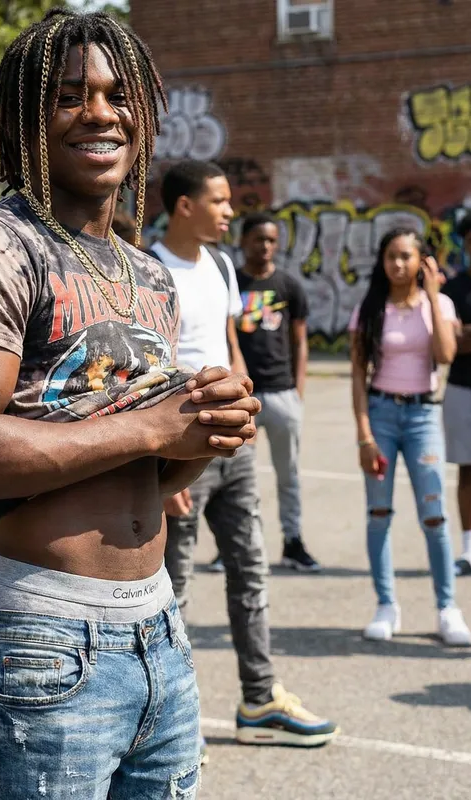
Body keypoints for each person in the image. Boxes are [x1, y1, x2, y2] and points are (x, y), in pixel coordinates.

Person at [0, 10, 260, 797]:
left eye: (116, 95)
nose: (99, 113)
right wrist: (152, 425)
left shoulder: (149, 273)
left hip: (157, 626)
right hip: (43, 636)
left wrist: (204, 431)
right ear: (25, 120)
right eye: (69, 96)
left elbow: (147, 473)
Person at [153, 161, 337, 748]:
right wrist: (160, 470)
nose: (230, 211)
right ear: (185, 205)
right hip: (180, 455)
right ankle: (168, 723)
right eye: (219, 201)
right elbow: (146, 371)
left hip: (231, 449)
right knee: (173, 589)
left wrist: (245, 403)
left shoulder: (220, 264)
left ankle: (259, 699)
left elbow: (228, 342)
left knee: (251, 574)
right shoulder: (149, 270)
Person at [349, 227, 471, 645]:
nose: (398, 264)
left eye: (406, 256)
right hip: (380, 415)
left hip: (423, 416)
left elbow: (446, 354)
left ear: (422, 261)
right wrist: (364, 435)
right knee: (378, 514)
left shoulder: (441, 304)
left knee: (434, 516)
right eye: (391, 256)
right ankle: (386, 605)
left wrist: (433, 295)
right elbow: (358, 376)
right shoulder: (369, 308)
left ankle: (447, 609)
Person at [236, 212, 320, 571]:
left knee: (289, 476)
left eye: (271, 240)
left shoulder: (289, 285)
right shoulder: (232, 284)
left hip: (283, 393)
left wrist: (298, 389)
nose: (266, 246)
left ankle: (293, 542)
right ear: (244, 241)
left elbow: (300, 342)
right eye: (259, 239)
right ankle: (236, 544)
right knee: (239, 479)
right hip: (243, 397)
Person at [442, 213, 471, 576]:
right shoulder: (453, 290)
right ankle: (469, 550)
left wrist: (467, 334)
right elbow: (450, 346)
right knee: (469, 472)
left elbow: (463, 337)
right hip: (463, 389)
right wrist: (460, 338)